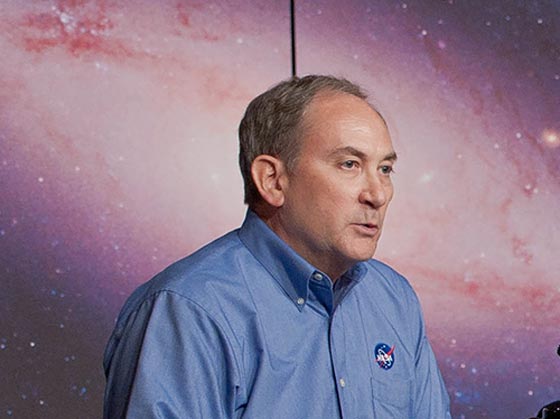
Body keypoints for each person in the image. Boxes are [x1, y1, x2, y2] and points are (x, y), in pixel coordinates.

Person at [103, 75, 451, 418]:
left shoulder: (393, 298)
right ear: (272, 180)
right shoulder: (188, 310)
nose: (377, 194)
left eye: (385, 169)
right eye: (350, 164)